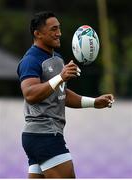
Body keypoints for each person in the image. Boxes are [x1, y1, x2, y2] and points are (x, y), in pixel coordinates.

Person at [17, 11, 114, 178]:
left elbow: (61, 94)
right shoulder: (30, 60)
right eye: (54, 29)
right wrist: (60, 77)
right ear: (37, 34)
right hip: (44, 134)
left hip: (41, 136)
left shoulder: (58, 59)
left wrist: (94, 102)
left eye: (59, 29)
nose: (59, 33)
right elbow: (30, 94)